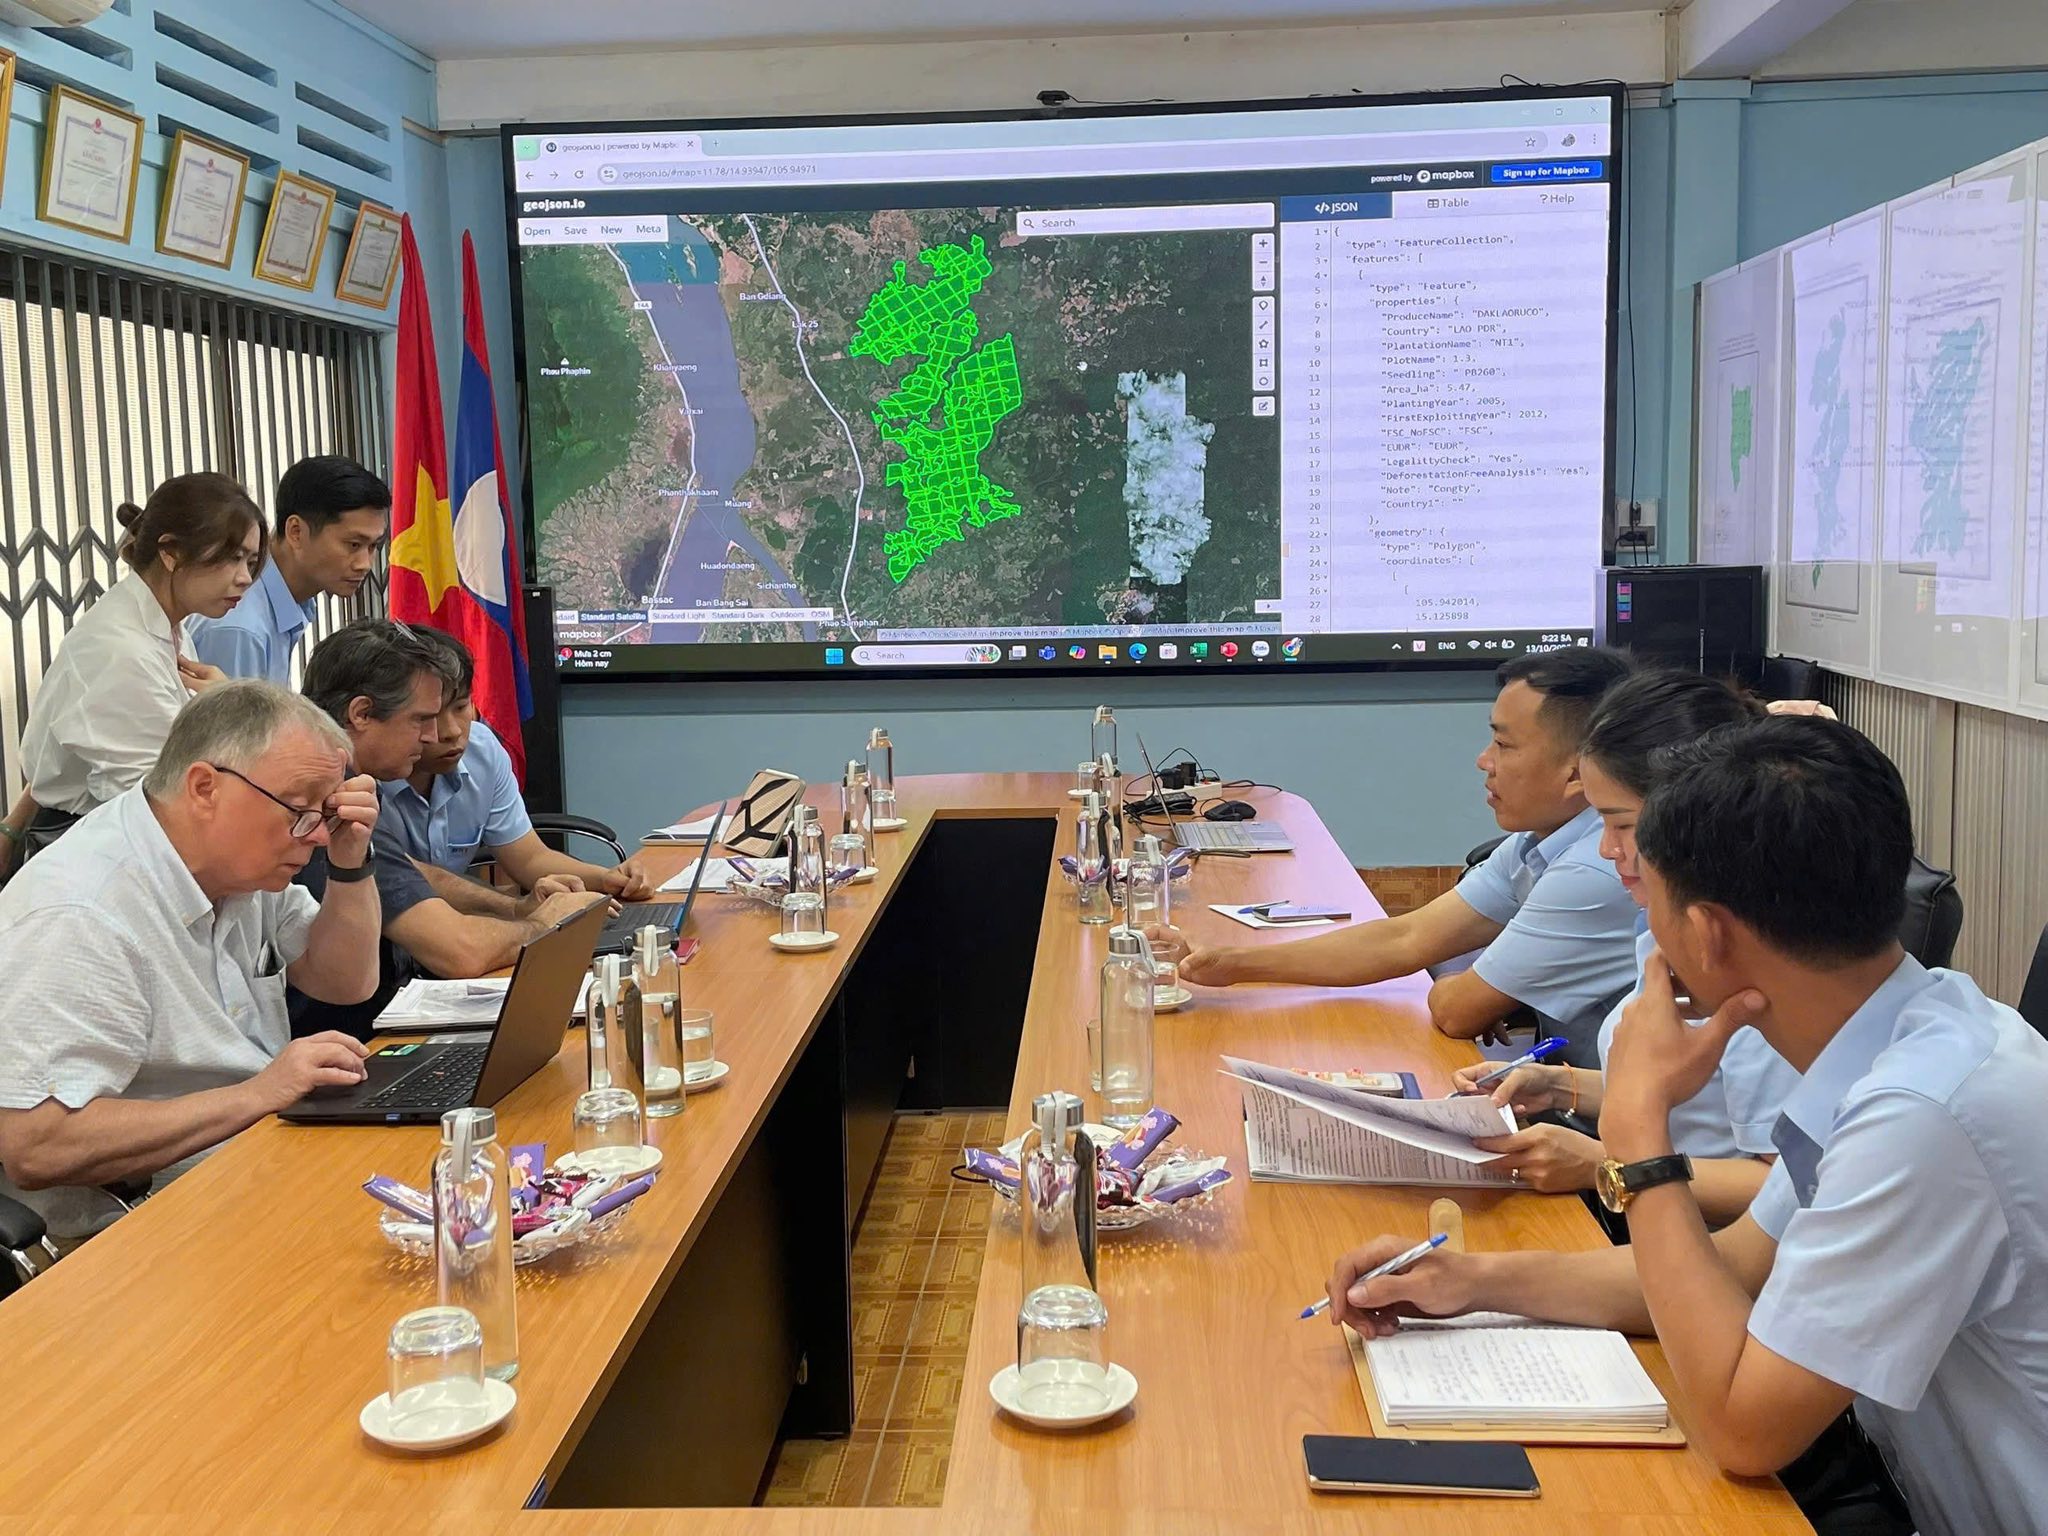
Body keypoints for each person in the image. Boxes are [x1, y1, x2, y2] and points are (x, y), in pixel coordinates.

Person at [1324, 718, 2048, 1536]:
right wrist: (1472, 1282)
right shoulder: (1907, 1032)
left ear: (1704, 932)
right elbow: (1734, 1271)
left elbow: (1745, 1431)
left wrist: (1639, 1133)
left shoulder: (1923, 1116)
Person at [0, 682, 380, 1242]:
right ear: (205, 788)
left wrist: (351, 863)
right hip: (134, 1229)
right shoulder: (82, 910)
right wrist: (257, 1094)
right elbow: (37, 1144)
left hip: (253, 1168)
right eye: (301, 810)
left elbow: (344, 983)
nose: (320, 835)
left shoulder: (237, 864)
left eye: (327, 812)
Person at [1148, 648, 1642, 1063]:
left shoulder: (1597, 864)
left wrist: (1484, 986)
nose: (1484, 760)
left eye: (1503, 744)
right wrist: (1229, 963)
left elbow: (1456, 1010)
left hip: (1601, 1122)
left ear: (1577, 772)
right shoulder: (1543, 839)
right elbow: (1406, 938)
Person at [1448, 669, 1799, 1218]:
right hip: (1651, 1210)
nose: (1606, 850)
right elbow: (1693, 1102)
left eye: (1620, 825)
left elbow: (1793, 1192)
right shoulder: (1661, 928)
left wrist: (1605, 1166)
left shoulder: (1763, 966)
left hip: (1693, 1228)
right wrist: (1558, 1087)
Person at [294, 619, 597, 1037]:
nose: (434, 735)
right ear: (361, 714)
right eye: (421, 719)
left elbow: (412, 879)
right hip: (344, 1042)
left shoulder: (353, 785)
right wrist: (545, 925)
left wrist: (516, 909)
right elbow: (460, 951)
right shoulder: (326, 798)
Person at [8, 474, 265, 862]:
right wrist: (233, 711)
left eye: (251, 561)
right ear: (170, 552)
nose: (245, 578)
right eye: (232, 557)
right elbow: (166, 797)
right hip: (99, 851)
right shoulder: (119, 649)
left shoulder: (165, 624)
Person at [377, 626, 653, 903]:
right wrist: (517, 911)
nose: (452, 731)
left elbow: (530, 858)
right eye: (430, 716)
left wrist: (606, 879)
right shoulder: (367, 772)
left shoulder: (482, 751)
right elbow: (404, 881)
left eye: (461, 707)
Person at [186, 456, 391, 684]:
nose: (365, 563)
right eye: (353, 544)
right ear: (296, 532)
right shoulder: (241, 629)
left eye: (373, 546)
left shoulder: (287, 602)